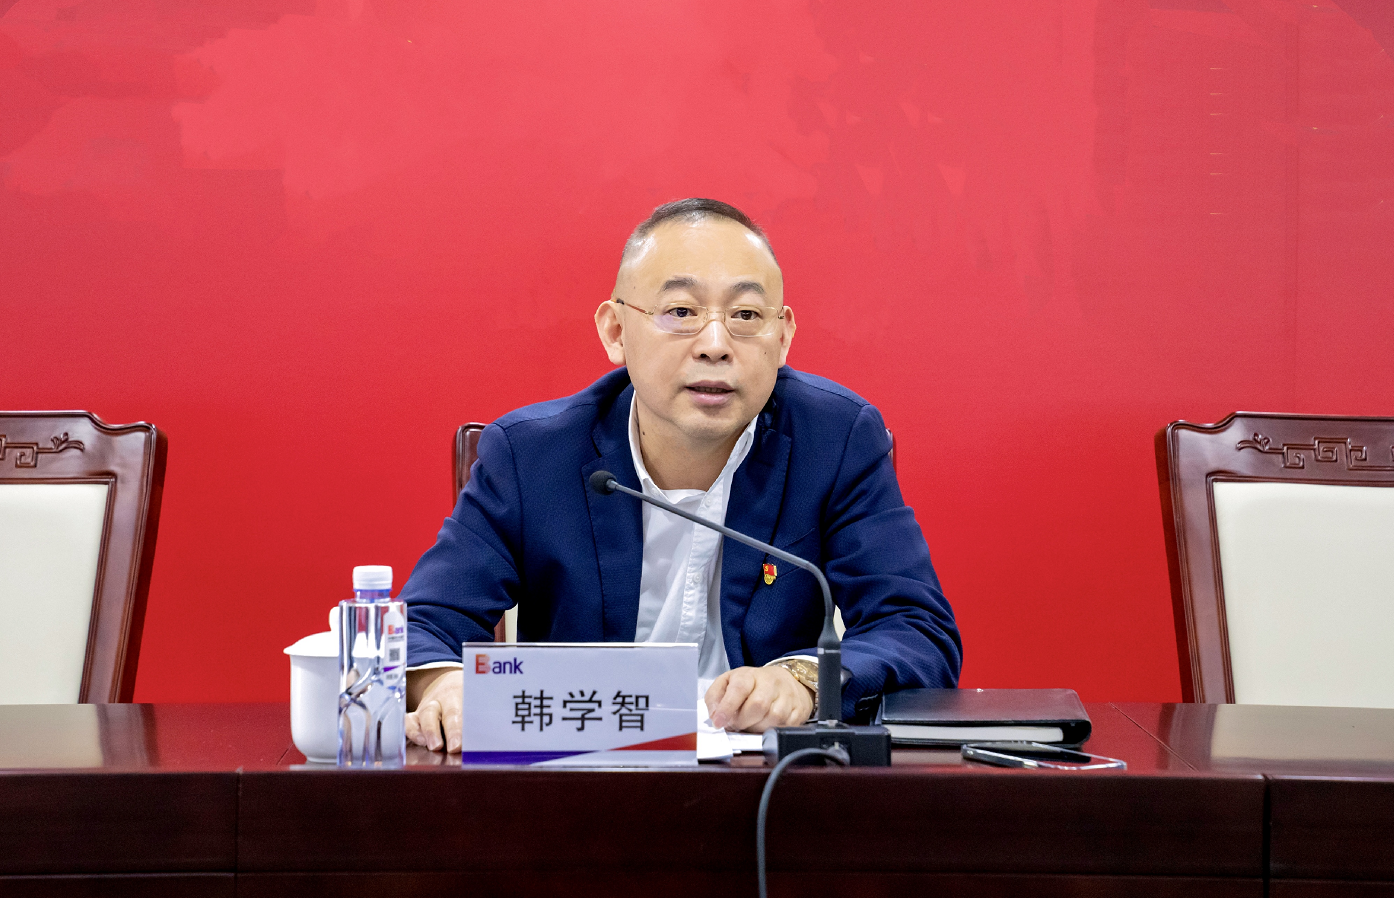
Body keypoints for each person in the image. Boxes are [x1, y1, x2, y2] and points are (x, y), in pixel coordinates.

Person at [402, 198, 961, 751]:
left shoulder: (835, 440)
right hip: (577, 774)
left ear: (783, 337)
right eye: (680, 312)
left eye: (746, 316)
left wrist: (804, 680)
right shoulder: (531, 455)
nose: (715, 346)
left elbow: (916, 629)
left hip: (766, 785)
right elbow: (422, 624)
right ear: (616, 331)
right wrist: (445, 685)